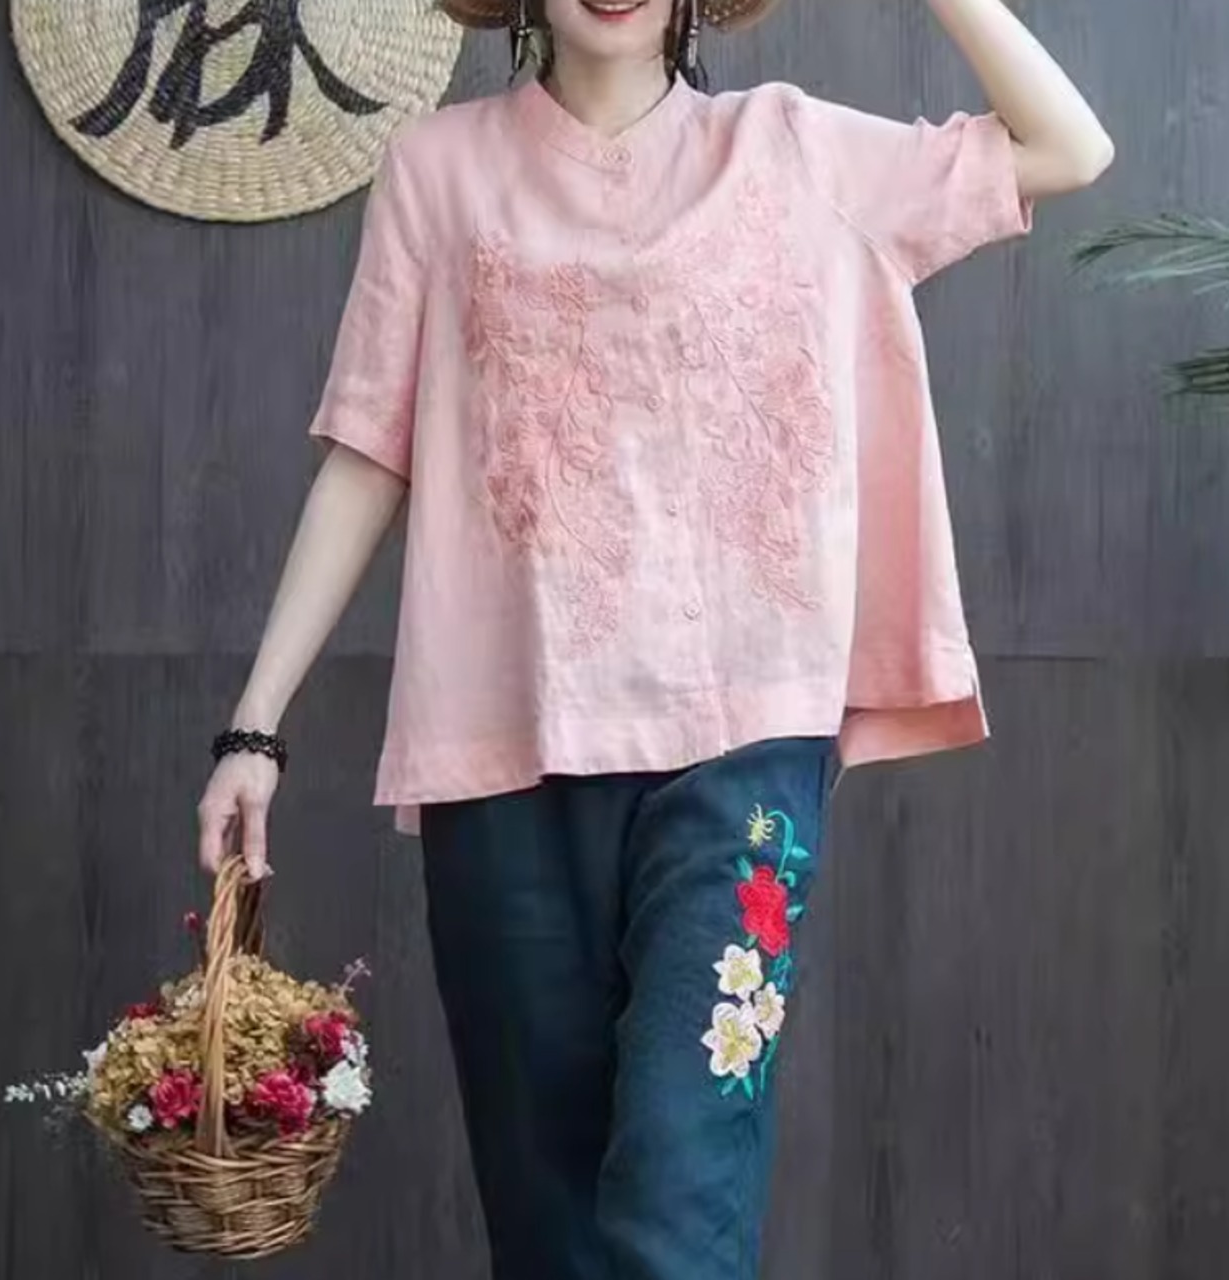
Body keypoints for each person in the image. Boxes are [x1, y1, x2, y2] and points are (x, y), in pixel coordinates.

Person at [196, 0, 1112, 1275]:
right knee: (549, 1224)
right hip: (500, 752)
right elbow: (366, 450)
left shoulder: (795, 149)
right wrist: (254, 728)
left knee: (678, 1198)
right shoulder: (436, 170)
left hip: (740, 750)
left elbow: (1068, 148)